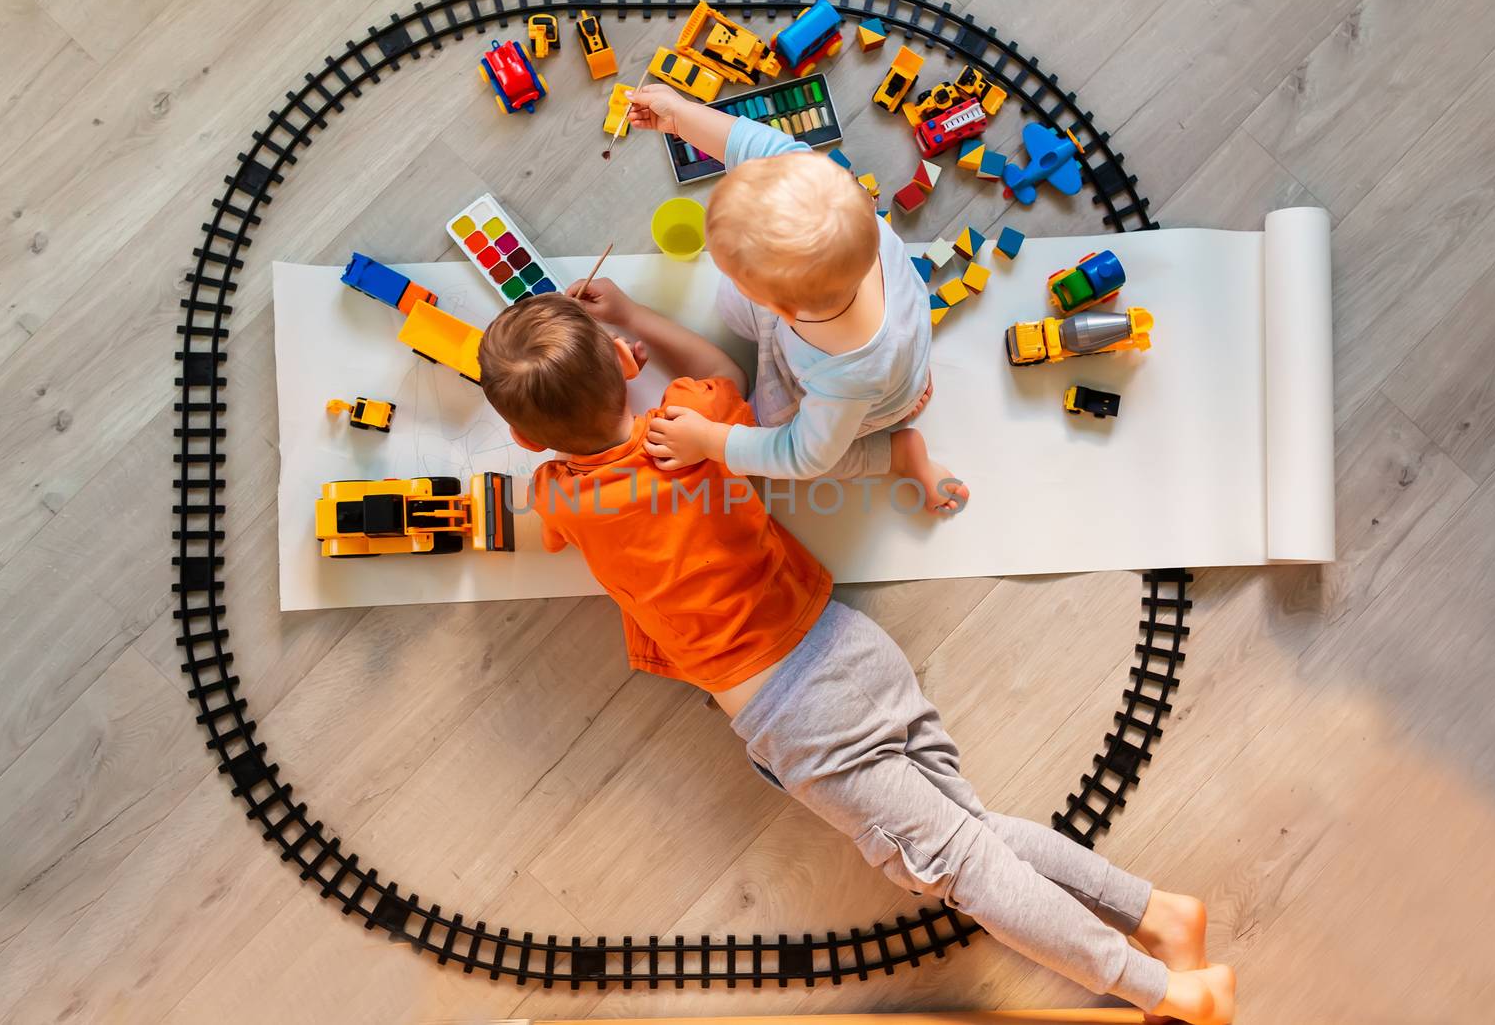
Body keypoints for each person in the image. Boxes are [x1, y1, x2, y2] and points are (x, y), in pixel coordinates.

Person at [475, 293, 1236, 1023]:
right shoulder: (693, 418)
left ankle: (1164, 989)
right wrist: (637, 319)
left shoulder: (560, 495)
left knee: (961, 869)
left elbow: (550, 519)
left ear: (524, 440)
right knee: (967, 828)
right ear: (623, 357)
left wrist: (583, 415)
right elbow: (728, 372)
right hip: (844, 642)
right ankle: (1159, 913)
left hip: (799, 715)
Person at [566, 82, 967, 514]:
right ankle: (906, 388)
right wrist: (679, 114)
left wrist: (712, 440)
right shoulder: (825, 197)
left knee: (764, 425)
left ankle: (899, 453)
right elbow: (752, 143)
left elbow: (803, 455)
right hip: (893, 352)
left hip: (860, 395)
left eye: (737, 276)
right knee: (734, 311)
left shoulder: (845, 377)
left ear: (779, 310)